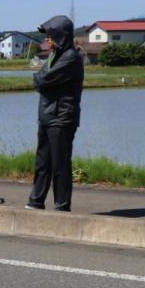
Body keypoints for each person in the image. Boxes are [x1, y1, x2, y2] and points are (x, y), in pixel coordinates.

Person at [26, 15, 84, 212]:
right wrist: (39, 78)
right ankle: (36, 201)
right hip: (46, 115)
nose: (47, 39)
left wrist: (39, 78)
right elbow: (41, 80)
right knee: (42, 162)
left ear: (61, 36)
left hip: (62, 117)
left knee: (60, 164)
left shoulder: (70, 57)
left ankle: (62, 205)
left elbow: (42, 80)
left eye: (50, 36)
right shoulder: (54, 56)